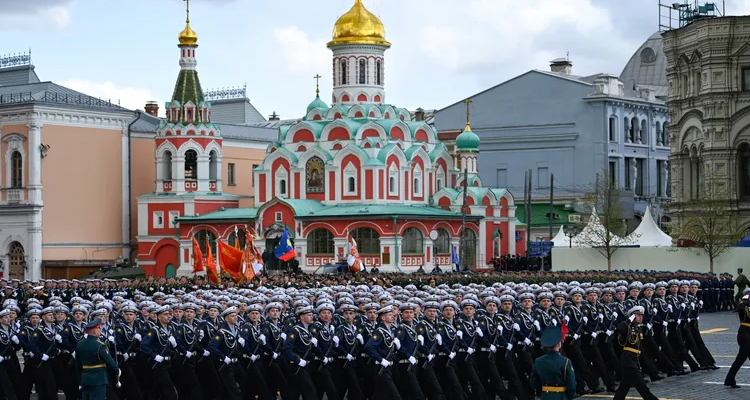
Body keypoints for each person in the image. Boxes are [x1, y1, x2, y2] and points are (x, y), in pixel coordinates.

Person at [613, 306, 659, 400]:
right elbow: (619, 329)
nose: (641, 317)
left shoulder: (638, 328)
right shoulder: (627, 327)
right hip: (628, 360)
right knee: (642, 387)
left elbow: (640, 347)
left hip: (634, 359)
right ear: (632, 316)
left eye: (641, 315)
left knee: (624, 386)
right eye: (638, 315)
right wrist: (628, 320)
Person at [74, 318, 120, 400]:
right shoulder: (100, 346)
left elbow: (78, 364)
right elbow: (109, 361)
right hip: (98, 379)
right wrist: (117, 371)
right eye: (99, 328)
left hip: (85, 379)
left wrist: (80, 379)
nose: (100, 331)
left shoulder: (80, 344)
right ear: (95, 331)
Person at [529, 325, 576, 399]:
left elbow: (534, 382)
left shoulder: (538, 361)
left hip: (545, 396)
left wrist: (541, 393)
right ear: (559, 344)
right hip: (561, 396)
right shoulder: (566, 362)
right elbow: (572, 385)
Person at [725, 289, 750, 388]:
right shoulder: (743, 305)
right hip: (744, 333)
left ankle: (729, 380)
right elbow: (740, 309)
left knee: (740, 359)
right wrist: (745, 301)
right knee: (741, 358)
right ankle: (729, 379)